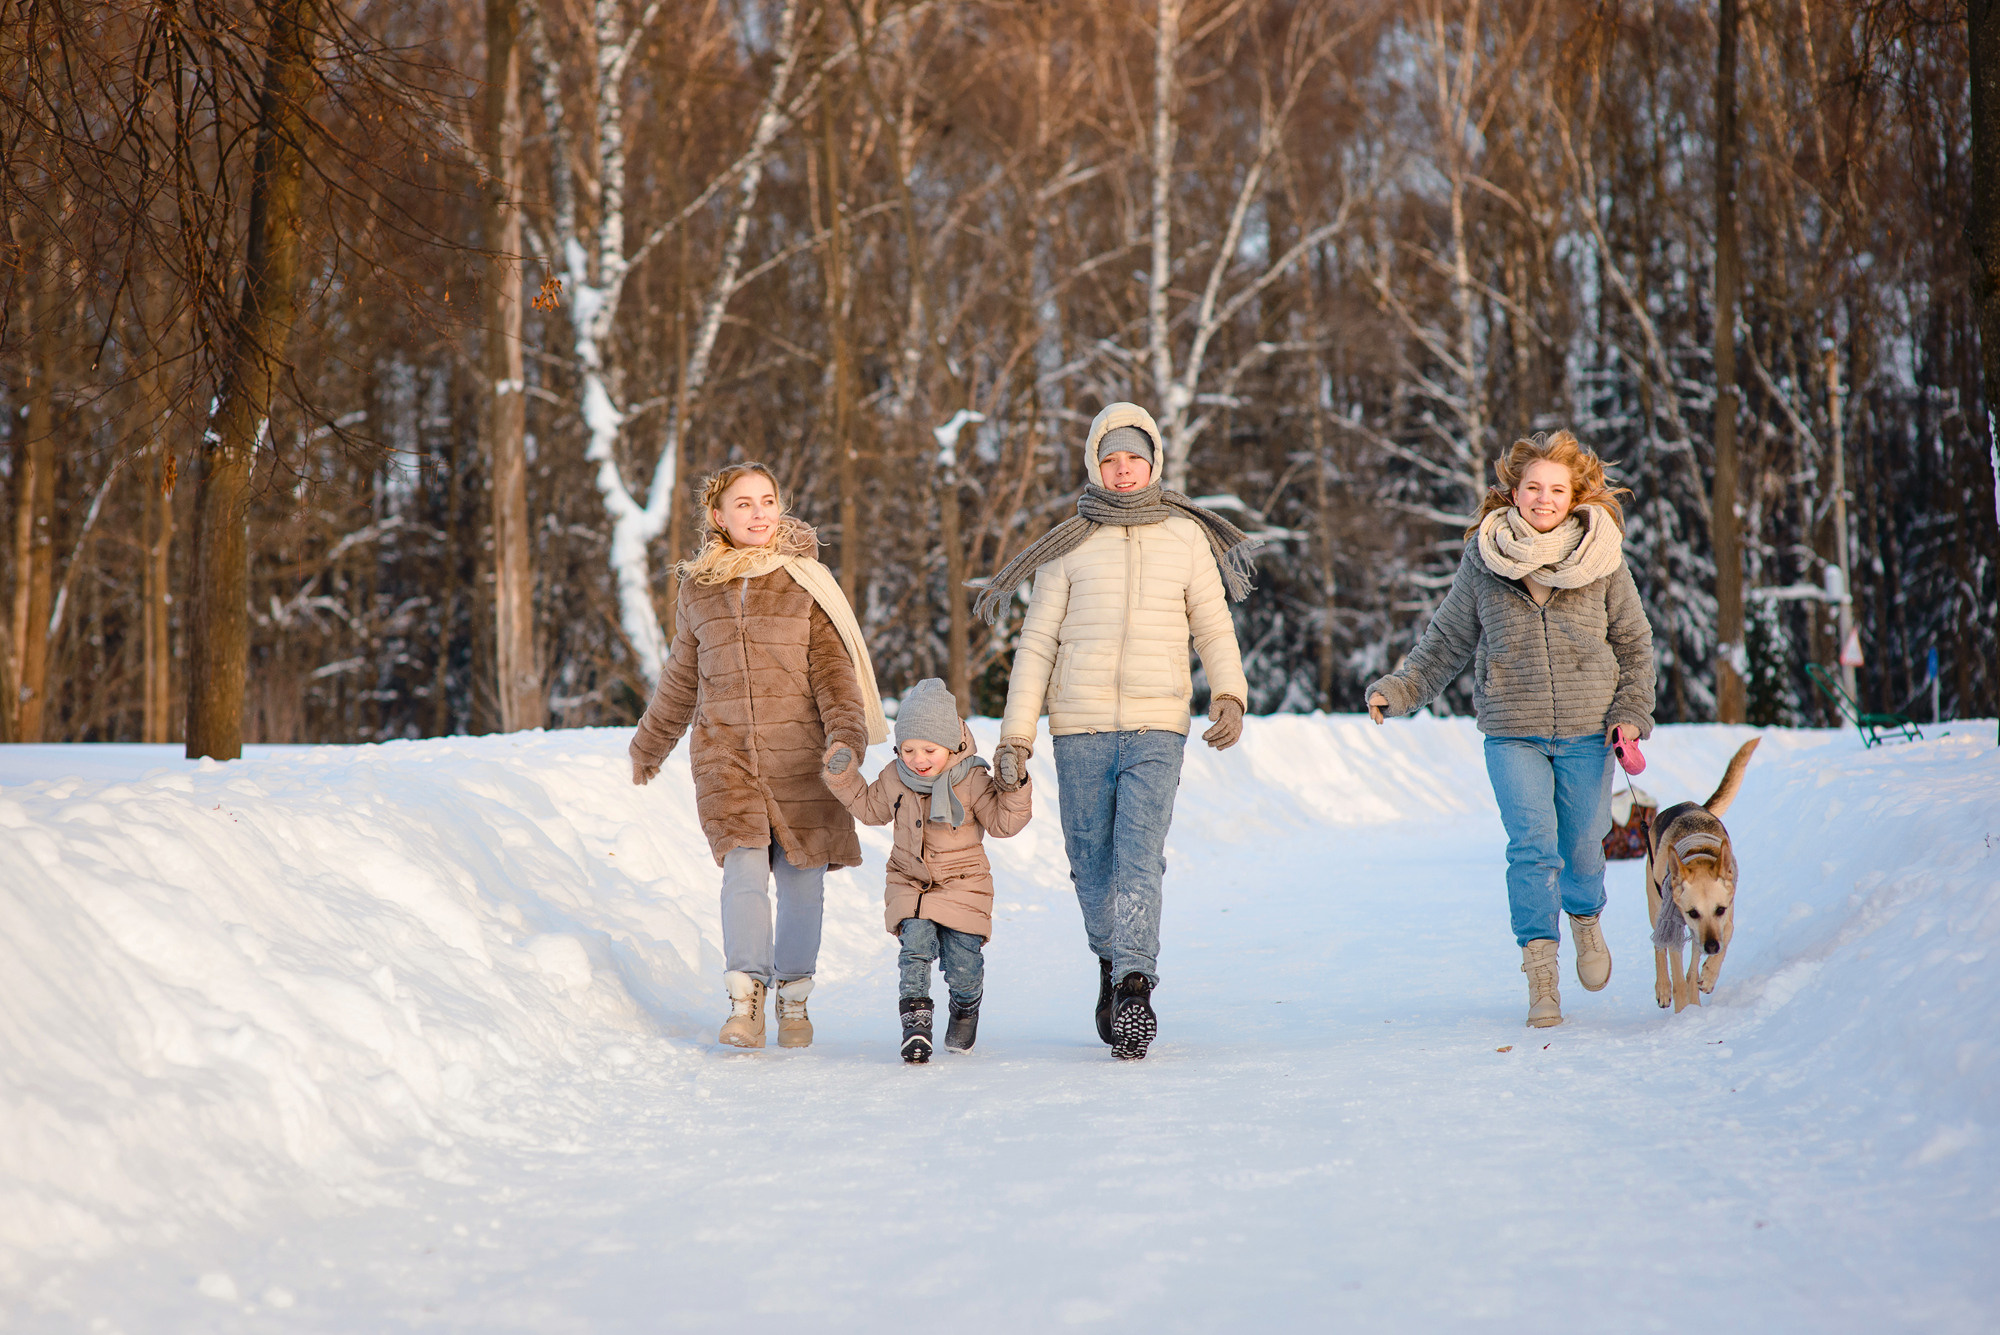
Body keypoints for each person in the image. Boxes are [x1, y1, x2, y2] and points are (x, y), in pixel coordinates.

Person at [974, 401, 1255, 1060]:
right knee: (1090, 863)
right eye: (1111, 458)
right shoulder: (1069, 541)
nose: (1124, 469)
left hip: (1160, 722)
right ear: (1094, 465)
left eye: (1135, 457)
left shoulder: (1185, 538)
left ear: (1154, 461)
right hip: (1079, 725)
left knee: (1137, 856)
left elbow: (1212, 624)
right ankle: (1110, 958)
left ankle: (1133, 983)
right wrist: (1017, 736)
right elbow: (1037, 642)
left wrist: (1230, 696)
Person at [1365, 430, 1655, 1028]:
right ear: (1513, 492)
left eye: (1556, 489)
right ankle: (1540, 970)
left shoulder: (1603, 559)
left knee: (1581, 845)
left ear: (1575, 495)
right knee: (1531, 847)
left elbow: (1634, 644)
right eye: (1532, 487)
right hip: (1512, 728)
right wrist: (1399, 689)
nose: (1543, 499)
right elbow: (1446, 641)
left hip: (1588, 730)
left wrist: (1630, 712)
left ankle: (1585, 917)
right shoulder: (1485, 557)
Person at [629, 462, 888, 1049]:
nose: (758, 513)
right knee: (743, 874)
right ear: (718, 517)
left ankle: (794, 1000)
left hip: (803, 757)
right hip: (726, 758)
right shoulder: (699, 588)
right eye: (743, 504)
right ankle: (745, 1000)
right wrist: (650, 743)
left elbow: (833, 673)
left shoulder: (804, 582)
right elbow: (681, 676)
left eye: (766, 500)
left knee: (802, 881)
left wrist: (844, 740)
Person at [821, 678, 1033, 1063]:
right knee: (914, 950)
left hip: (964, 886)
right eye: (909, 748)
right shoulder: (894, 777)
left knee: (963, 966)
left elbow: (1004, 824)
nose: (919, 759)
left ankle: (966, 1005)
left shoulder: (971, 779)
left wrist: (1013, 784)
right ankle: (915, 1025)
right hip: (910, 882)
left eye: (929, 749)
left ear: (951, 745)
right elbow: (870, 810)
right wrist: (845, 777)